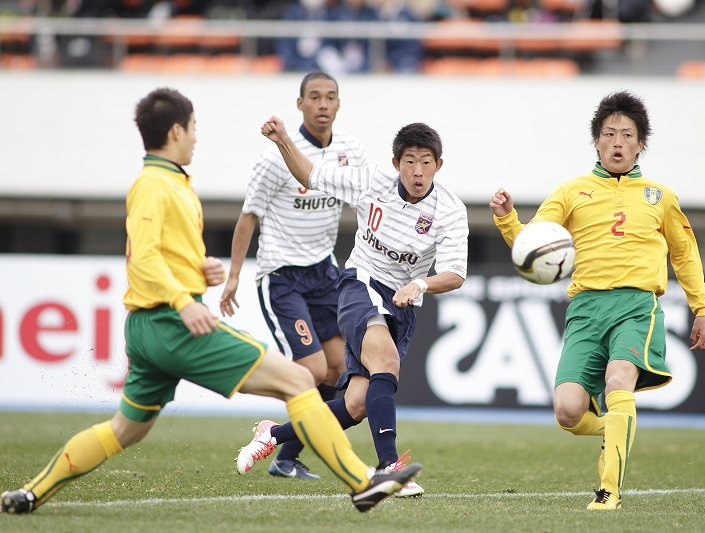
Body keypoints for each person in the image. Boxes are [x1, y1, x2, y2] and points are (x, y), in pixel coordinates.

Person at [0, 87, 420, 516]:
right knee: (299, 381)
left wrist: (201, 271)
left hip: (150, 329)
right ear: (176, 130)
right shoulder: (153, 184)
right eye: (194, 128)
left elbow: (158, 254)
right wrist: (184, 301)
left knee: (125, 429)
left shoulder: (172, 181)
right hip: (173, 324)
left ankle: (32, 492)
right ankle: (362, 482)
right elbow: (142, 260)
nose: (197, 138)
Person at [489, 90, 705, 511]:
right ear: (596, 140)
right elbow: (533, 245)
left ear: (640, 143)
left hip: (636, 306)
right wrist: (507, 218)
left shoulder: (659, 196)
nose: (617, 142)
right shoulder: (572, 191)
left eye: (627, 135)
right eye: (609, 133)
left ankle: (608, 491)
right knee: (567, 411)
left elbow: (685, 254)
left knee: (617, 383)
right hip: (586, 309)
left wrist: (702, 308)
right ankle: (616, 433)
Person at [235, 116, 469, 498]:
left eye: (427, 161)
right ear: (396, 164)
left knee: (356, 405)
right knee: (387, 364)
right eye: (410, 160)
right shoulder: (372, 180)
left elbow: (456, 274)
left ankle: (273, 435)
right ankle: (390, 468)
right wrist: (282, 141)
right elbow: (310, 173)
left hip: (401, 301)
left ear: (438, 166)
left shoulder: (450, 210)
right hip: (360, 282)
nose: (418, 170)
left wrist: (420, 283)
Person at [221, 71, 366, 481]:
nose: (323, 104)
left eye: (331, 97)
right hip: (281, 276)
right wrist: (233, 276)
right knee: (313, 371)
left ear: (339, 104)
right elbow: (249, 216)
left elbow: (363, 203)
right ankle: (281, 445)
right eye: (314, 97)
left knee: (339, 369)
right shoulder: (274, 157)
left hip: (324, 271)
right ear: (299, 104)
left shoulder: (350, 150)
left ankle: (286, 456)